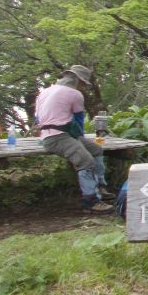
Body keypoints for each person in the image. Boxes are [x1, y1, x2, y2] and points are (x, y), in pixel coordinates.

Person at [35, 65, 114, 214]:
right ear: (78, 80)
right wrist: (79, 139)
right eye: (83, 83)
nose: (83, 86)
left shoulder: (44, 92)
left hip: (51, 135)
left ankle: (100, 187)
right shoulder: (74, 94)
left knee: (96, 149)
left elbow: (37, 118)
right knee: (85, 161)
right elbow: (78, 120)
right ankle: (91, 201)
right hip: (57, 137)